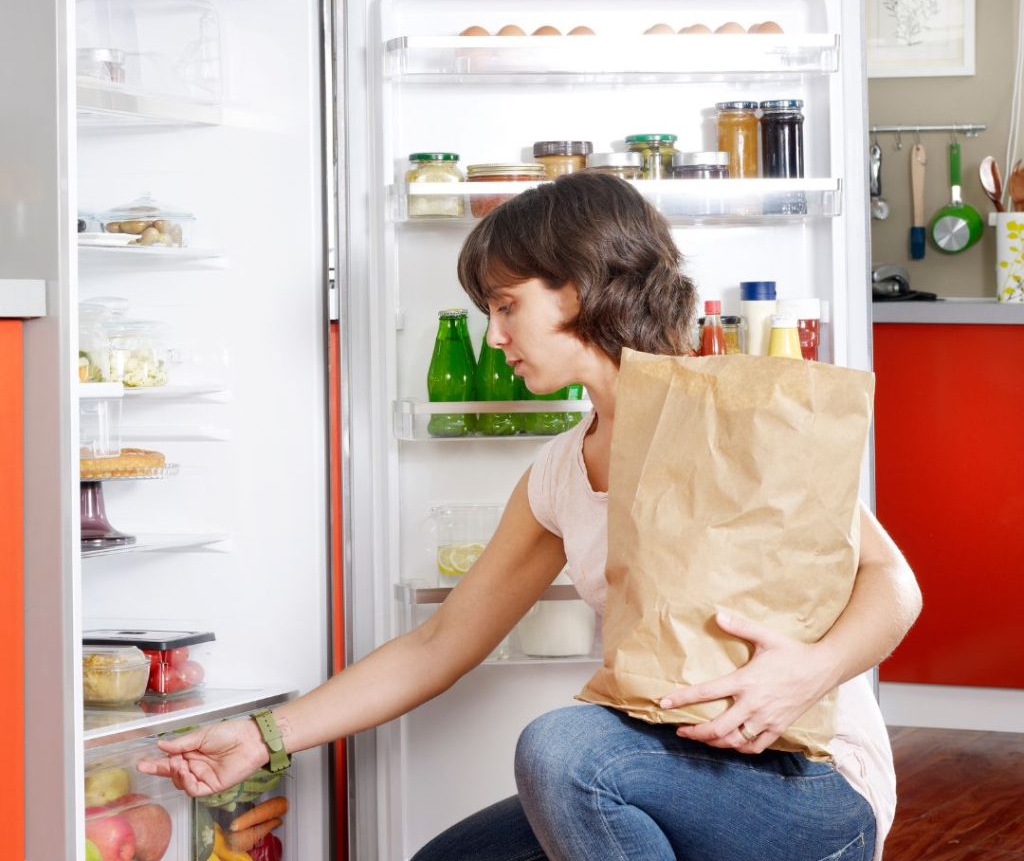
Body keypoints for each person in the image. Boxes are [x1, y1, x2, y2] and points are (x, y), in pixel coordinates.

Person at [140, 172, 922, 861]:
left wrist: (809, 672)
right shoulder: (559, 473)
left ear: (579, 289)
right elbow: (440, 642)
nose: (495, 335)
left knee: (563, 749)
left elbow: (893, 582)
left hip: (806, 787)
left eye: (508, 305)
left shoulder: (732, 416)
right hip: (663, 773)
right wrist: (261, 737)